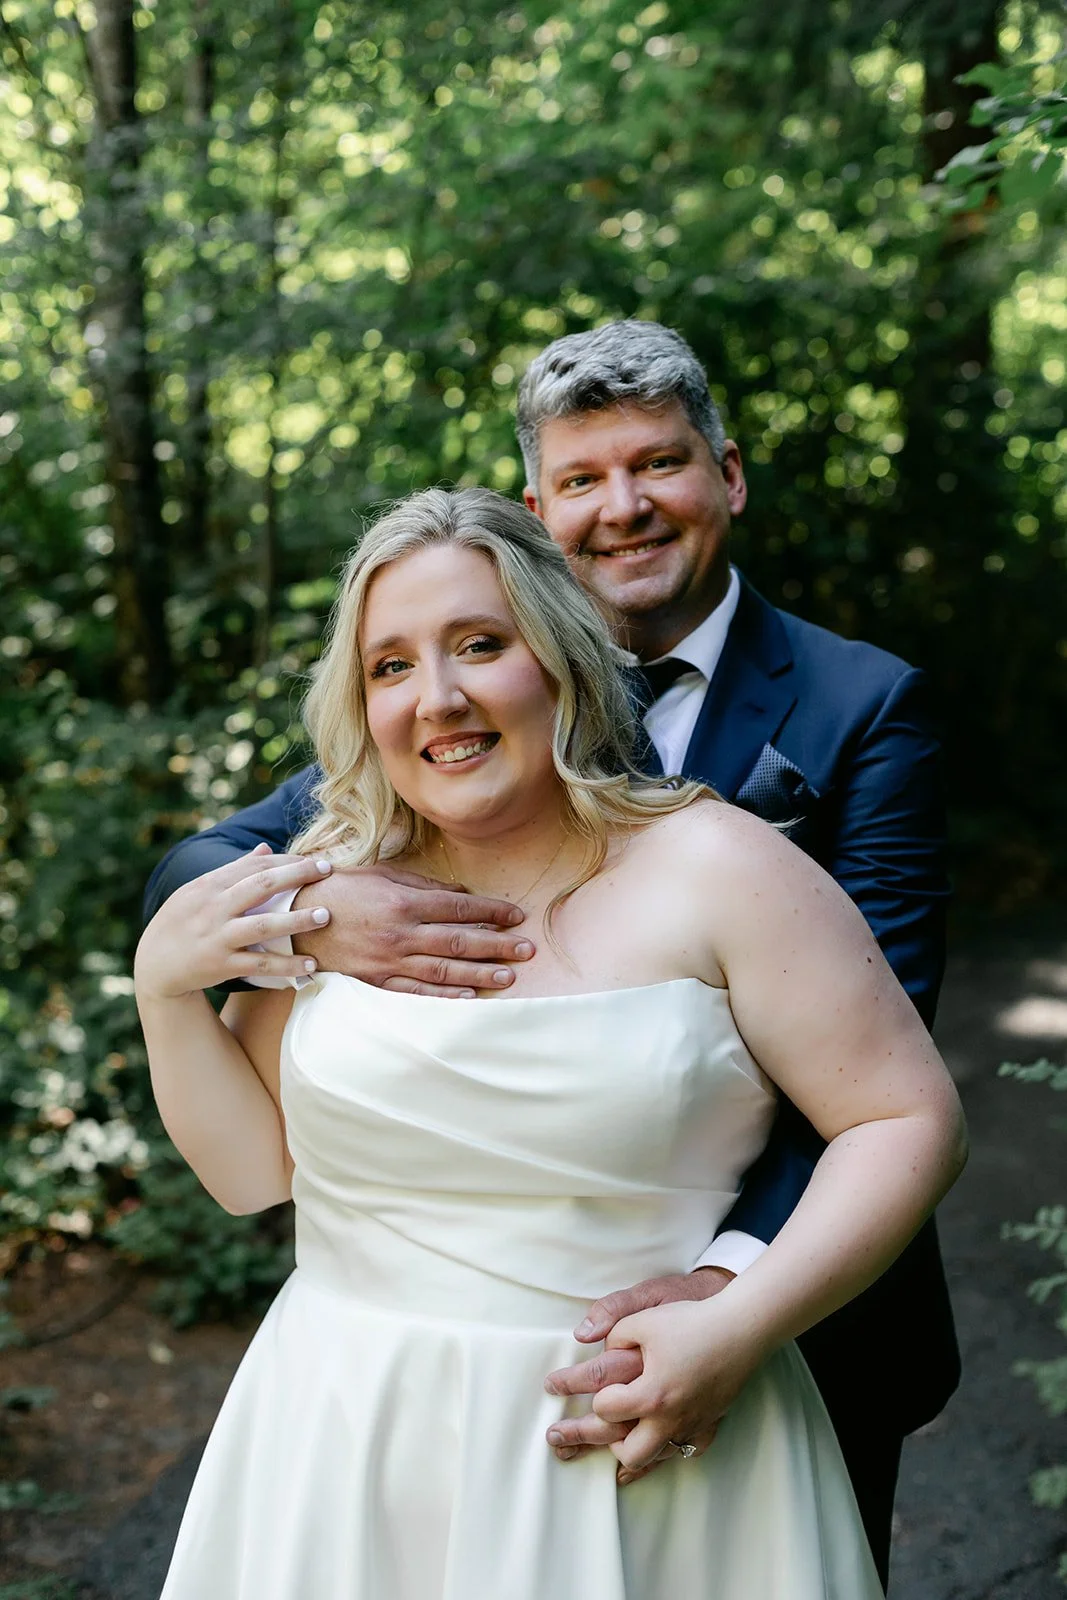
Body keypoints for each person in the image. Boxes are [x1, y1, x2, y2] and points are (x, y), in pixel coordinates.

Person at [143, 321, 957, 1586]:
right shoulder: (350, 852)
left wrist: (732, 1305)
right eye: (393, 665)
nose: (438, 694)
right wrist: (236, 945)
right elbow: (247, 1145)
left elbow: (884, 1085)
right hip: (356, 1424)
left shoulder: (786, 790)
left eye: (480, 645)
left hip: (709, 1363)